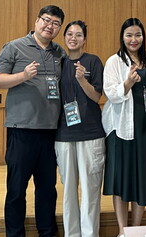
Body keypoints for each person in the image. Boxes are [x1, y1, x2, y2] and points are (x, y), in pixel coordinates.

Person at [0, 5, 66, 237]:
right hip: (21, 129)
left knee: (47, 189)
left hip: (50, 131)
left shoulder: (59, 53)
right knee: (16, 189)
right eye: (46, 20)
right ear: (36, 21)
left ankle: (47, 233)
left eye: (55, 23)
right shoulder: (14, 47)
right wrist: (23, 76)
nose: (49, 26)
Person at [102, 18, 146, 237]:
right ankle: (122, 230)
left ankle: (136, 229)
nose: (134, 39)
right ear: (122, 37)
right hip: (122, 128)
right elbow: (110, 93)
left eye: (138, 35)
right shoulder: (114, 62)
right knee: (121, 180)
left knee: (142, 179)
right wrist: (127, 83)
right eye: (129, 35)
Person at [55, 21, 105, 237]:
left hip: (90, 134)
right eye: (69, 34)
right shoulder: (58, 62)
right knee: (68, 191)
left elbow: (96, 97)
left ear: (85, 39)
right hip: (63, 135)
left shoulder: (93, 61)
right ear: (64, 37)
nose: (73, 38)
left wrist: (82, 79)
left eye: (78, 35)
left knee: (90, 190)